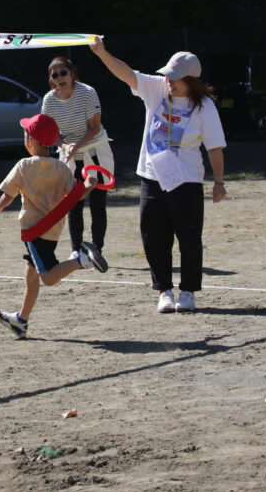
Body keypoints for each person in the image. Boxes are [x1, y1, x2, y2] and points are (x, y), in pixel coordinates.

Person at [90, 36, 226, 313]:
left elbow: (214, 147)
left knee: (189, 238)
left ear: (191, 79)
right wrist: (102, 52)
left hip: (186, 181)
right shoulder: (157, 89)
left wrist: (219, 182)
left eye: (176, 77)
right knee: (153, 237)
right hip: (152, 177)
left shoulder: (204, 106)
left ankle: (187, 292)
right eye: (168, 75)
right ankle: (164, 290)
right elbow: (127, 74)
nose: (169, 81)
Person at [0, 113, 108, 339]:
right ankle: (21, 321)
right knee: (31, 273)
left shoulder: (24, 165)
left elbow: (9, 194)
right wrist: (89, 185)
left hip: (34, 231)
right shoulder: (61, 168)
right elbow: (76, 195)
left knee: (46, 277)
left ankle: (81, 260)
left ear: (30, 141)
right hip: (53, 231)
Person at [41, 55, 114, 258]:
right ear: (51, 79)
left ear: (72, 74)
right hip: (70, 155)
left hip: (95, 151)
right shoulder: (49, 100)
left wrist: (76, 145)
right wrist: (64, 146)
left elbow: (95, 127)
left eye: (63, 72)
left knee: (98, 204)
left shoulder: (87, 92)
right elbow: (50, 132)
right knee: (73, 203)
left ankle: (97, 249)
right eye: (55, 75)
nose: (60, 78)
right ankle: (76, 251)